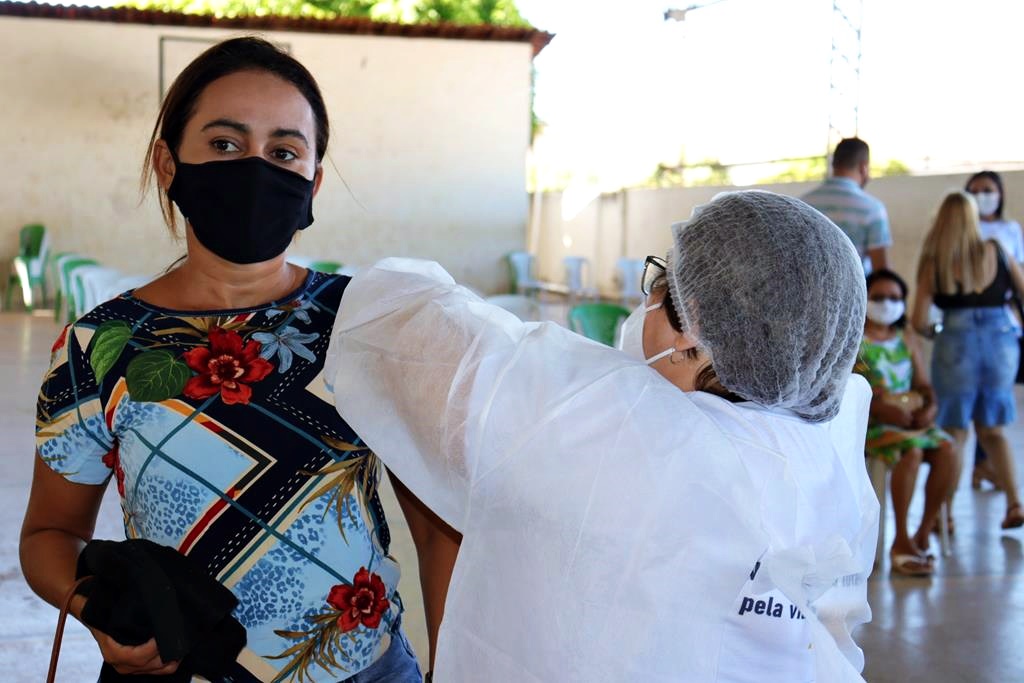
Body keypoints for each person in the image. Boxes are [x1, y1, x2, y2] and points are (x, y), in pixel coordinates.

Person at [20, 37, 446, 682]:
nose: (255, 170)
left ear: (312, 184)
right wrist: (95, 609)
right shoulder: (99, 345)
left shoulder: (366, 324)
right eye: (224, 144)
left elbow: (439, 529)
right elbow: (48, 535)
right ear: (168, 163)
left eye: (283, 152)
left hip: (367, 670)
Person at [325, 191, 879, 681]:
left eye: (660, 281)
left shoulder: (615, 428)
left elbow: (394, 319)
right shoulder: (828, 449)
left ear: (692, 328)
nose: (647, 302)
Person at [910, 190, 1024, 533]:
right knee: (993, 431)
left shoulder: (935, 262)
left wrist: (938, 332)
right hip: (1000, 342)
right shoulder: (997, 250)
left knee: (954, 434)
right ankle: (1014, 503)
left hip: (955, 345)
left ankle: (945, 516)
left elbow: (918, 321)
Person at [854, 269, 954, 576]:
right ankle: (900, 540)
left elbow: (923, 384)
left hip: (909, 421)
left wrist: (931, 407)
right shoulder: (854, 339)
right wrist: (881, 409)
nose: (887, 304)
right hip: (872, 424)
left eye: (895, 298)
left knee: (948, 450)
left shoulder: (907, 338)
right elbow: (847, 389)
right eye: (879, 297)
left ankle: (923, 532)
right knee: (911, 453)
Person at [964, 170, 1024, 490]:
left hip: (1001, 325)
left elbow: (1018, 274)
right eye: (975, 191)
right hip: (964, 324)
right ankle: (982, 466)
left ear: (1000, 193)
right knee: (971, 404)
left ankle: (985, 464)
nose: (982, 196)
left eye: (988, 190)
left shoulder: (1009, 230)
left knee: (992, 403)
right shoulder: (962, 229)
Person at [803, 137, 892, 273]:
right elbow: (881, 271)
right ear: (863, 167)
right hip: (859, 287)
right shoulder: (873, 209)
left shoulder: (803, 205)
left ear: (834, 164)